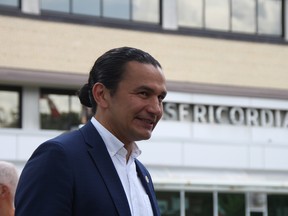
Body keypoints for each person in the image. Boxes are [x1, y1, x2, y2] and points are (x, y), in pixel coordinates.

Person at [15, 47, 167, 216]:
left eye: (160, 98)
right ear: (101, 94)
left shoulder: (140, 173)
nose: (156, 109)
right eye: (144, 93)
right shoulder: (58, 158)